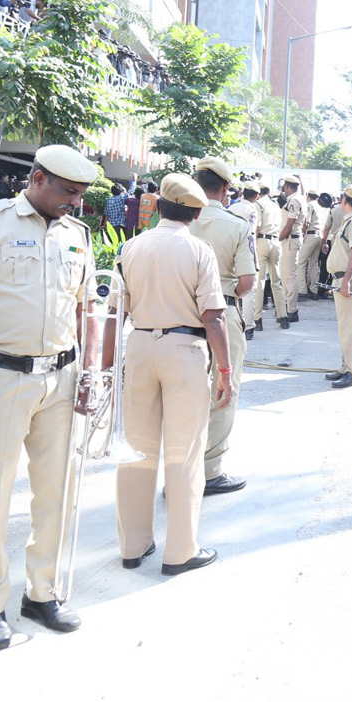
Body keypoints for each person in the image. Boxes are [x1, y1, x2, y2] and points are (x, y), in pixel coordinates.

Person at [0, 144, 99, 650]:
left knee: (55, 492)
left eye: (80, 195)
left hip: (60, 378)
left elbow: (84, 311)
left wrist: (87, 374)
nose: (74, 203)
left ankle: (41, 592)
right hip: (0, 379)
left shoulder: (78, 236)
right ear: (35, 178)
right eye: (67, 192)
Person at [106, 174, 232, 577]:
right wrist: (225, 370)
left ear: (157, 206)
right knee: (184, 453)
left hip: (139, 346)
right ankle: (181, 550)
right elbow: (213, 317)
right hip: (185, 350)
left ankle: (133, 545)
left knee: (137, 451)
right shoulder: (198, 250)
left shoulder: (130, 248)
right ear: (195, 214)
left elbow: (114, 314)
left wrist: (108, 368)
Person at [191, 157, 256, 496]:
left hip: (178, 316)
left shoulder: (178, 218)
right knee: (223, 390)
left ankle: (180, 471)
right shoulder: (237, 225)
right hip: (223, 313)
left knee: (182, 394)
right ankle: (210, 471)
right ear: (226, 188)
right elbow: (247, 282)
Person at [325, 185, 352, 389]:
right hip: (344, 278)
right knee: (345, 327)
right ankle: (346, 367)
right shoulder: (351, 220)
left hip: (350, 279)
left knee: (351, 327)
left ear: (345, 200)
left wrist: (346, 281)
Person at [229, 180, 261, 338]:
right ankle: (249, 326)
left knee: (232, 287)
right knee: (249, 290)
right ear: (255, 196)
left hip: (231, 249)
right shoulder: (252, 209)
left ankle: (235, 322)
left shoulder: (232, 207)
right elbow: (252, 232)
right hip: (247, 249)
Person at [255, 182, 288, 329]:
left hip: (262, 240)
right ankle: (283, 316)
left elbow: (256, 227)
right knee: (277, 281)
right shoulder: (276, 206)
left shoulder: (258, 204)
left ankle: (257, 319)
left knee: (260, 281)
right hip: (276, 241)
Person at [278, 175, 307, 322]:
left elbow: (289, 225)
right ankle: (288, 307)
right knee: (286, 275)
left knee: (289, 276)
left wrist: (278, 239)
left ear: (287, 187)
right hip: (292, 240)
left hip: (290, 240)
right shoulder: (300, 198)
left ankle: (292, 310)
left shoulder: (294, 201)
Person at [297, 188, 324, 300]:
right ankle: (314, 290)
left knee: (300, 262)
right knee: (313, 264)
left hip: (311, 234)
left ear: (308, 196)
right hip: (319, 235)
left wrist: (302, 234)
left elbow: (306, 223)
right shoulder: (320, 206)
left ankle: (302, 290)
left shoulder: (309, 205)